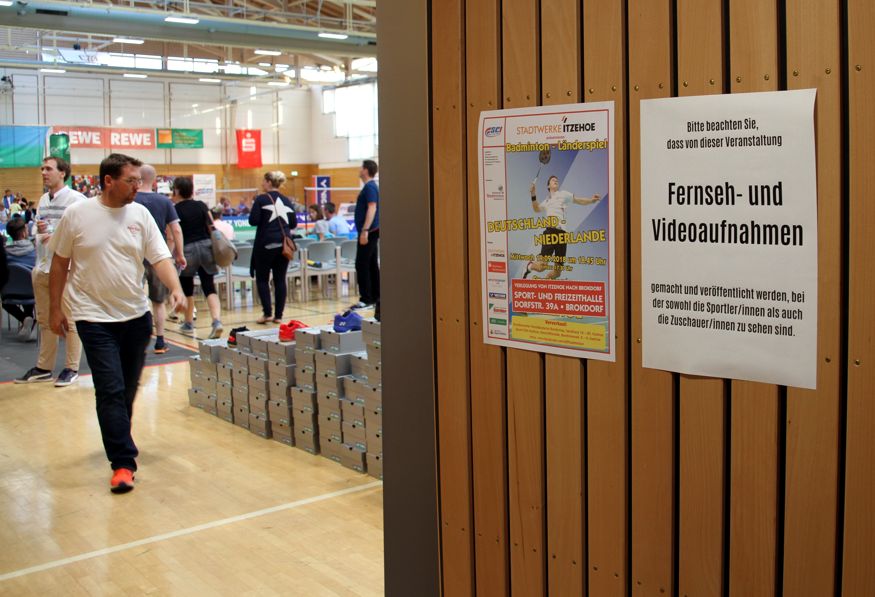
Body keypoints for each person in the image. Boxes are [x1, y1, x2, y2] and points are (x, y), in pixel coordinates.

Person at [48, 153, 185, 493]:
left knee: (124, 391)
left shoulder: (140, 214)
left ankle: (118, 436)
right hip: (93, 318)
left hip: (136, 318)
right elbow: (59, 264)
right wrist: (55, 309)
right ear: (109, 181)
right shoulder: (77, 215)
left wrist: (176, 288)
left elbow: (160, 257)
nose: (138, 186)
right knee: (109, 389)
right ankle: (123, 462)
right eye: (131, 180)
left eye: (139, 180)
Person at [15, 157, 85, 387]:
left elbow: (83, 234)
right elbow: (38, 226)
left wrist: (56, 236)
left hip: (65, 270)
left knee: (70, 320)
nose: (44, 172)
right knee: (45, 320)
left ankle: (71, 368)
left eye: (48, 169)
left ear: (62, 173)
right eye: (42, 169)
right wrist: (40, 228)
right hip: (42, 266)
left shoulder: (77, 200)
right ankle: (44, 367)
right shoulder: (44, 199)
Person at [135, 164, 187, 353]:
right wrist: (179, 254)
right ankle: (160, 340)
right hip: (158, 256)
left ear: (137, 179)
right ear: (155, 180)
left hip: (134, 256)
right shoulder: (164, 202)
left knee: (134, 298)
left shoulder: (131, 200)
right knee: (158, 302)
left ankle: (137, 341)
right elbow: (176, 230)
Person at [172, 177, 224, 339]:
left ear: (177, 191)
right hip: (206, 246)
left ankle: (188, 322)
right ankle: (216, 321)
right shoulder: (201, 205)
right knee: (209, 286)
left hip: (187, 249)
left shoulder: (175, 209)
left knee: (187, 288)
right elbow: (211, 226)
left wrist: (176, 254)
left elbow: (174, 233)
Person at [524, 174, 602, 280]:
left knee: (557, 272)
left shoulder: (564, 194)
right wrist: (533, 194)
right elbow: (537, 209)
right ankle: (529, 266)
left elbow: (578, 200)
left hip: (562, 235)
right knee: (542, 266)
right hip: (550, 232)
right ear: (548, 186)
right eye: (553, 180)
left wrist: (591, 200)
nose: (556, 181)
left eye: (557, 180)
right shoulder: (546, 201)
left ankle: (546, 283)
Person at [249, 170, 297, 324]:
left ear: (269, 182)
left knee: (262, 279)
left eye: (264, 181)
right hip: (283, 245)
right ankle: (279, 316)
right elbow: (294, 223)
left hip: (265, 245)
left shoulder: (261, 199)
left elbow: (253, 220)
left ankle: (267, 313)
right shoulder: (287, 200)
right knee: (280, 279)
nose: (262, 184)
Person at [351, 159, 380, 310]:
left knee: (361, 264)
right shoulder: (370, 187)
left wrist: (365, 230)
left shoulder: (370, 187)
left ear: (366, 170)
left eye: (361, 167)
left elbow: (372, 208)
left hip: (369, 231)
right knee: (371, 264)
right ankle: (376, 296)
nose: (359, 169)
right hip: (371, 231)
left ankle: (366, 298)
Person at [1, 218, 37, 339]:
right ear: (23, 233)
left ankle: (25, 319)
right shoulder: (34, 252)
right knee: (29, 285)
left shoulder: (4, 253)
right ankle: (30, 320)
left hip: (9, 293)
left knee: (5, 302)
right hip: (31, 292)